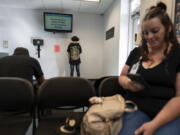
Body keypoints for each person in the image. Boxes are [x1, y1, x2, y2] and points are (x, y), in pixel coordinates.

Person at [118, 2, 180, 135]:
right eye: (145, 33)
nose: (149, 37)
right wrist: (128, 84)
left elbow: (179, 97)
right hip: (136, 107)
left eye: (155, 31)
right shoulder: (137, 52)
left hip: (168, 111)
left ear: (168, 27)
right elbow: (122, 76)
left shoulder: (178, 54)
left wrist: (154, 124)